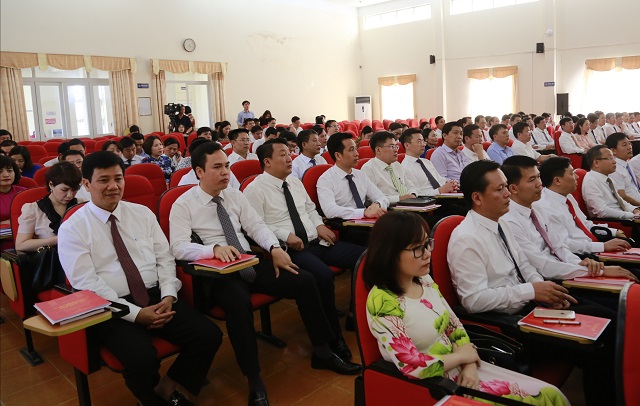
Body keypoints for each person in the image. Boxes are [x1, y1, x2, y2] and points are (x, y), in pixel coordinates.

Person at [169, 142, 360, 405]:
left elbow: (256, 226)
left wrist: (274, 248)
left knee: (305, 280)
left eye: (227, 166)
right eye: (217, 167)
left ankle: (322, 350)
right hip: (219, 273)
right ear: (199, 172)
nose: (225, 172)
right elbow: (178, 247)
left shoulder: (234, 195)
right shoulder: (183, 204)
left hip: (248, 260)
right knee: (239, 304)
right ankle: (254, 378)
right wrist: (212, 249)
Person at [448, 159, 617, 406]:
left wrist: (544, 291)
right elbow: (473, 301)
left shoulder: (500, 222)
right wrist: (531, 291)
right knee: (602, 338)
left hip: (533, 307)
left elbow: (525, 266)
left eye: (506, 186)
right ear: (477, 197)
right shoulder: (466, 238)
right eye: (499, 189)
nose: (508, 194)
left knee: (607, 319)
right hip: (512, 325)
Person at [58, 151, 221, 406]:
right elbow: (87, 284)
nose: (113, 186)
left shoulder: (142, 213)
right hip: (111, 308)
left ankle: (168, 386)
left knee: (209, 335)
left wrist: (169, 294)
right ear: (87, 184)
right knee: (141, 358)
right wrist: (136, 314)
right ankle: (149, 399)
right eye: (103, 180)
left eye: (118, 178)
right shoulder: (72, 228)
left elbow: (164, 258)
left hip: (155, 296)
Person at [364, 211, 569, 405]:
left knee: (551, 394)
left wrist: (469, 365)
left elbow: (454, 326)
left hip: (462, 369)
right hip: (431, 386)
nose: (427, 254)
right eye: (418, 248)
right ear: (390, 253)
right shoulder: (382, 300)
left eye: (427, 244)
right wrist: (464, 357)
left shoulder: (423, 279)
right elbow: (412, 366)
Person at [245, 138, 365, 355]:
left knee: (365, 256)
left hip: (316, 241)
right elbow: (255, 226)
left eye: (289, 153)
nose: (289, 158)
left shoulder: (294, 182)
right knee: (323, 276)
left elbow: (310, 209)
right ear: (267, 161)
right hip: (293, 249)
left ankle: (356, 313)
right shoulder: (255, 190)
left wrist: (319, 225)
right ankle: (334, 337)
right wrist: (285, 235)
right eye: (282, 155)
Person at [501, 155, 635, 283]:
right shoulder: (511, 221)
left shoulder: (536, 209)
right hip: (551, 278)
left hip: (567, 266)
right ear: (513, 188)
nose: (539, 184)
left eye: (538, 177)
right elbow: (544, 266)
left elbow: (559, 246)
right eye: (532, 180)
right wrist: (597, 270)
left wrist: (580, 263)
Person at [536, 157, 631, 255]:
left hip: (591, 245)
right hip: (581, 255)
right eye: (572, 173)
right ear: (557, 181)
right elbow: (564, 244)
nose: (577, 177)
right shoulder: (546, 207)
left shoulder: (567, 196)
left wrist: (614, 232)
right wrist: (603, 246)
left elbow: (585, 224)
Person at [15, 162, 80, 257]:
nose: (70, 195)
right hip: (52, 260)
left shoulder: (82, 205)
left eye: (74, 190)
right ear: (51, 185)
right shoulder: (34, 209)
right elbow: (21, 245)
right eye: (64, 190)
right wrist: (58, 239)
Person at [317, 133, 388, 219]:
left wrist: (377, 204)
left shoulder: (361, 175)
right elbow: (330, 210)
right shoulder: (326, 180)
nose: (357, 154)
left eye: (356, 149)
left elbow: (382, 197)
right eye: (351, 150)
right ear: (338, 155)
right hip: (345, 223)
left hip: (367, 220)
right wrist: (362, 213)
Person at [582, 144, 640, 220]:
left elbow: (621, 201)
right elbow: (602, 211)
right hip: (614, 222)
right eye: (609, 158)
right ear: (596, 163)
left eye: (613, 157)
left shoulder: (608, 178)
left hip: (626, 216)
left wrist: (635, 210)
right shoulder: (591, 181)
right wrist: (632, 215)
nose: (614, 162)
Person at [361, 131, 417, 204]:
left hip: (410, 203)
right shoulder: (369, 169)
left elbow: (410, 185)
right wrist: (400, 198)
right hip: (389, 207)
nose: (396, 150)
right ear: (378, 150)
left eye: (396, 146)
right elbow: (373, 198)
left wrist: (412, 194)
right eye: (392, 146)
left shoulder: (397, 165)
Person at [400, 128, 457, 197]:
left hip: (443, 196)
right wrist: (440, 191)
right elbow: (416, 194)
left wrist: (450, 184)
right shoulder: (405, 167)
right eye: (419, 141)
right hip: (429, 200)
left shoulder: (426, 162)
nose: (423, 145)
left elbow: (440, 180)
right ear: (407, 145)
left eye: (423, 141)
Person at [606, 132, 640, 206]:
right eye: (624, 145)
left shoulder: (627, 163)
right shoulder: (614, 169)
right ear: (613, 150)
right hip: (633, 207)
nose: (629, 147)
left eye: (629, 144)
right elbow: (622, 196)